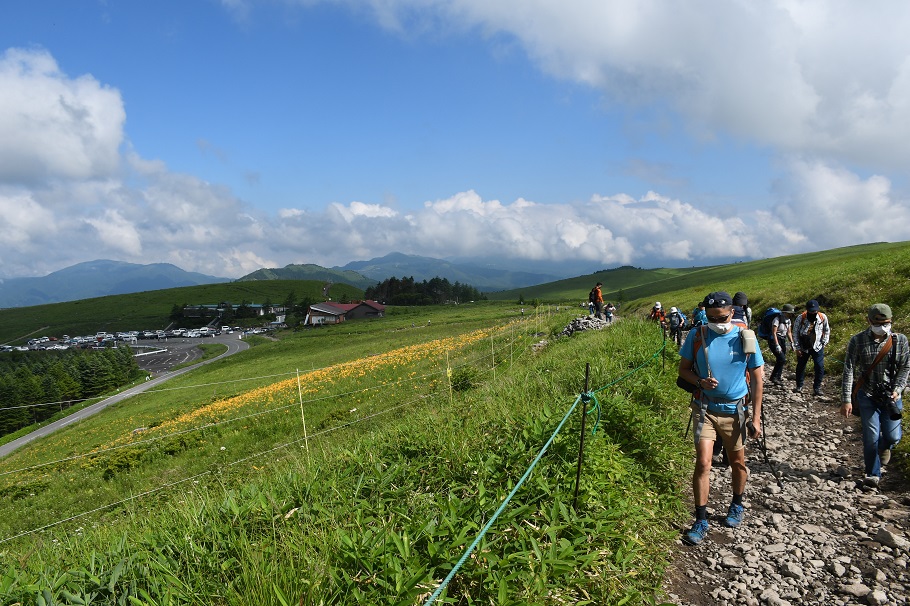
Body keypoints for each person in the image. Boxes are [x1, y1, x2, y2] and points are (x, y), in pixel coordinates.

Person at [677, 291, 764, 545]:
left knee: (737, 463)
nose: (718, 322)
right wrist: (700, 381)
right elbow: (683, 370)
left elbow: (758, 378)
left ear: (732, 312)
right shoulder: (698, 335)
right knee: (703, 463)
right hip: (704, 409)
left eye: (723, 316)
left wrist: (755, 418)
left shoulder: (745, 337)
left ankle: (737, 504)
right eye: (712, 317)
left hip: (735, 412)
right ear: (706, 314)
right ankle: (701, 519)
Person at [840, 304, 908, 488]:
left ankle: (885, 447)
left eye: (886, 323)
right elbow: (849, 370)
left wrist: (898, 388)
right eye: (878, 323)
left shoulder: (900, 341)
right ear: (869, 321)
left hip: (891, 397)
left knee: (893, 436)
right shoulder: (858, 341)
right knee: (870, 436)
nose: (882, 326)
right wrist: (847, 399)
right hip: (867, 395)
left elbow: (905, 367)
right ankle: (872, 474)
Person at [793, 299, 830, 396]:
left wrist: (824, 342)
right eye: (811, 311)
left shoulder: (822, 317)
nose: (813, 313)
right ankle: (799, 386)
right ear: (807, 310)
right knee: (801, 366)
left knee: (819, 366)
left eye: (815, 311)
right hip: (803, 346)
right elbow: (795, 333)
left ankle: (817, 388)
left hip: (817, 346)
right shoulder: (800, 318)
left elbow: (826, 330)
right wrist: (797, 347)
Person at [766, 304, 796, 386]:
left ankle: (777, 377)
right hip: (774, 339)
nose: (791, 314)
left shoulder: (788, 320)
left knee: (782, 359)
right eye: (790, 313)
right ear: (785, 312)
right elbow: (774, 332)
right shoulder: (777, 319)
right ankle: (774, 377)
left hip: (782, 339)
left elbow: (789, 332)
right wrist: (777, 345)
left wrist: (792, 343)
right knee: (781, 358)